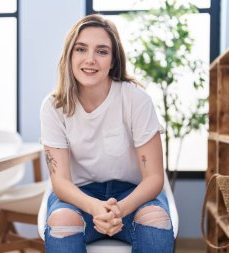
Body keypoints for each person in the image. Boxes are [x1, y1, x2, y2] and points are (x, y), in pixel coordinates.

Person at [40, 14, 174, 253]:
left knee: (155, 218)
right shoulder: (53, 106)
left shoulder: (135, 99)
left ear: (113, 60)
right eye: (81, 49)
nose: (90, 59)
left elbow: (153, 178)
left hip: (132, 195)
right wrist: (95, 208)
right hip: (80, 198)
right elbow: (60, 182)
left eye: (102, 52)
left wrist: (118, 210)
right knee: (62, 222)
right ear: (70, 55)